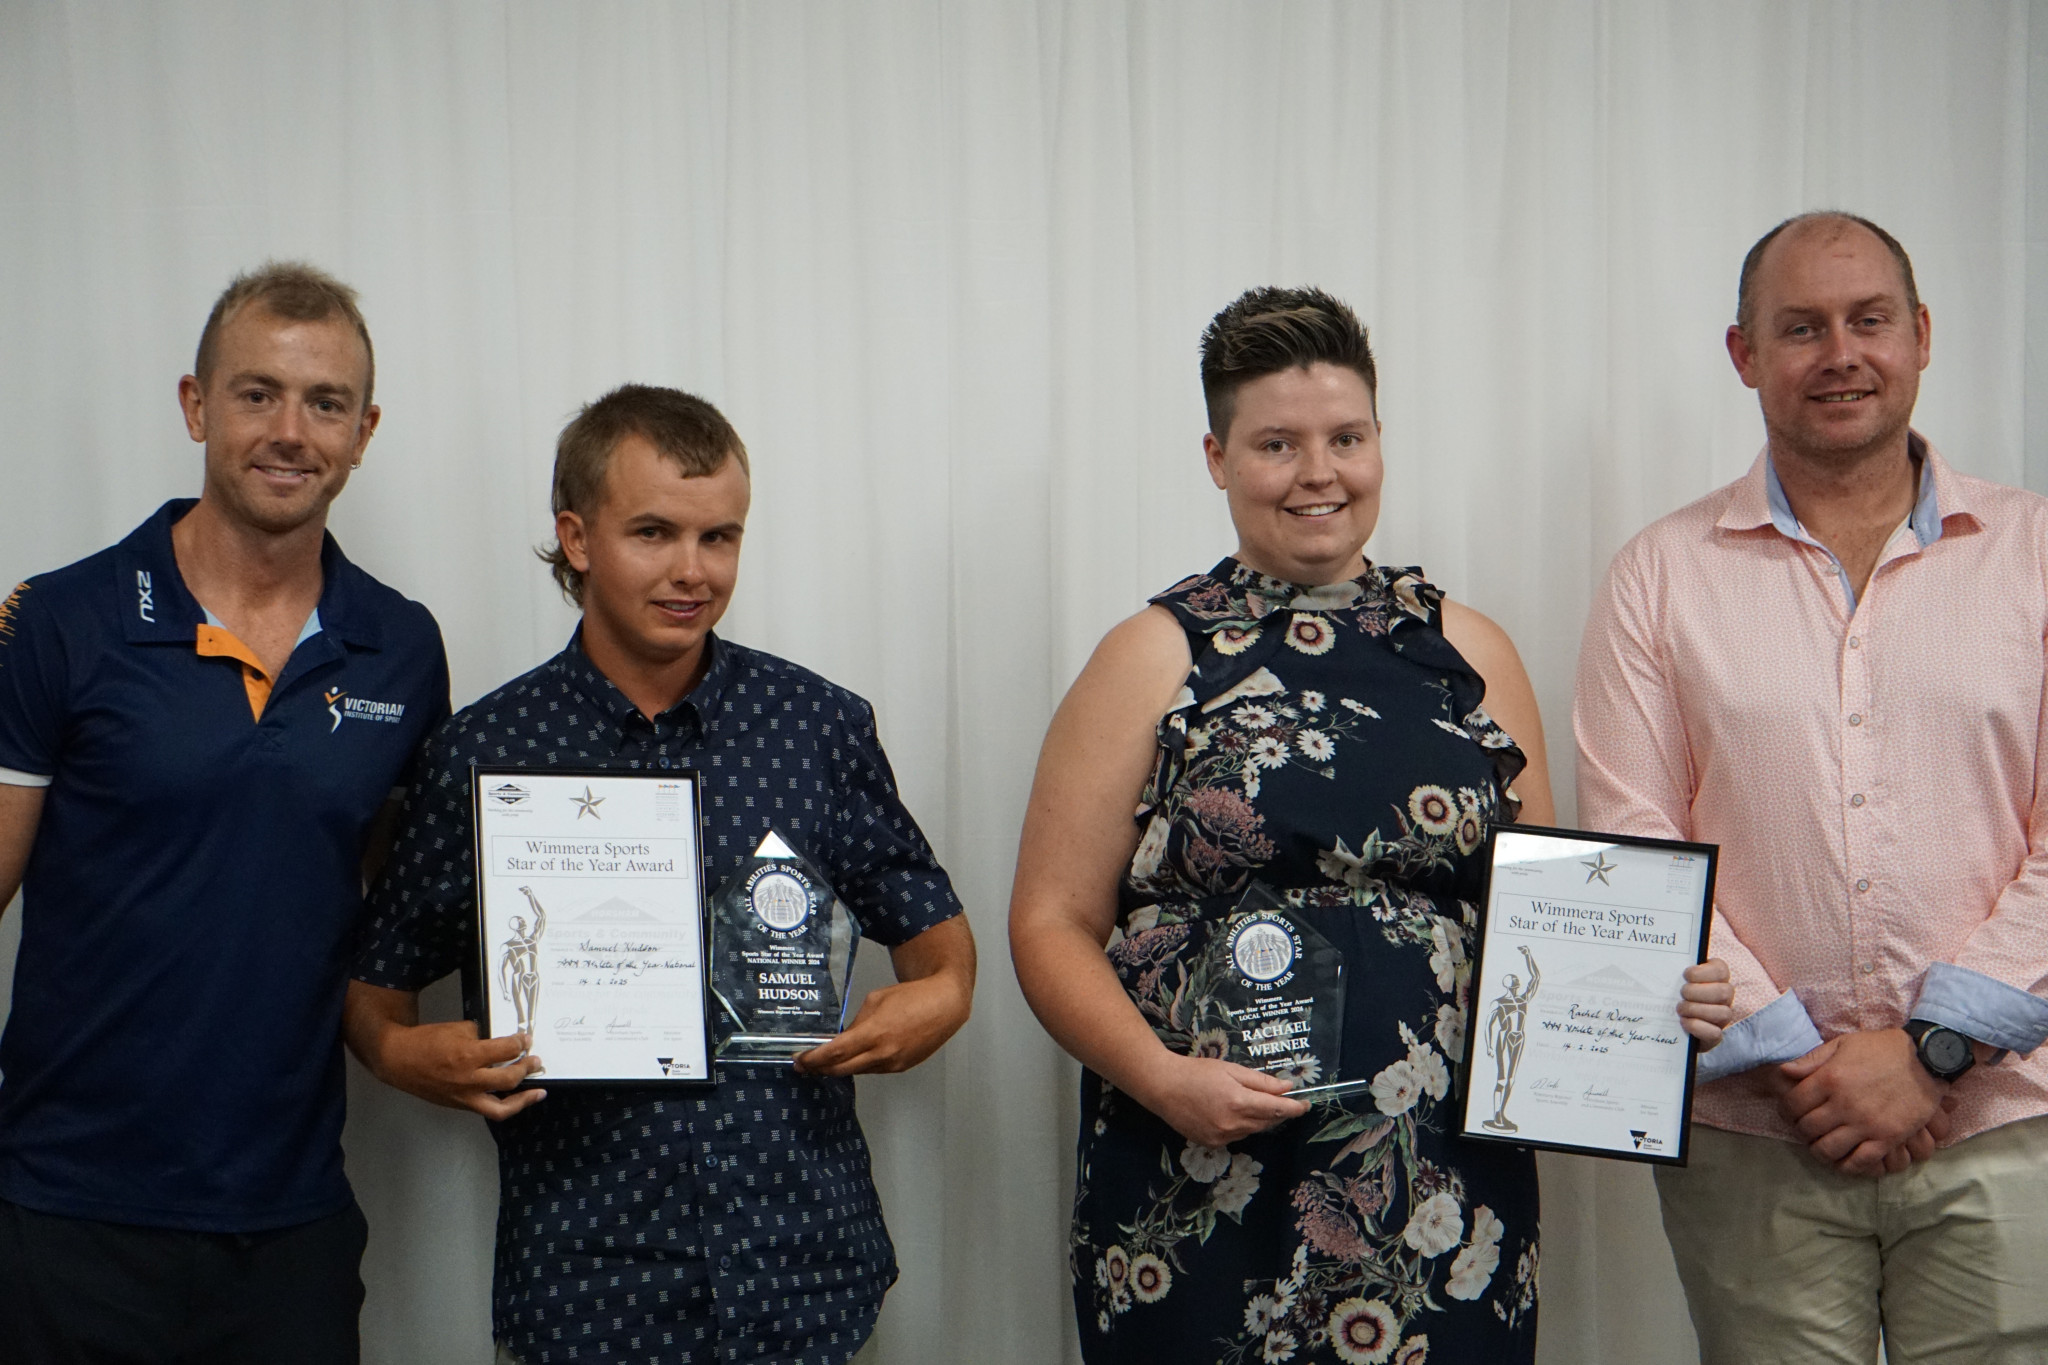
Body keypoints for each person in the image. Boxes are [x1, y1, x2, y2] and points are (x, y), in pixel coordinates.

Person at [1010, 286, 1733, 1364]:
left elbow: (1538, 916)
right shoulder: (1152, 657)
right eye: (1275, 444)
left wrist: (1656, 997)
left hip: (1438, 1178)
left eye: (1344, 438)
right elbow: (1048, 921)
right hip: (1196, 1171)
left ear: (1378, 442)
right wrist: (1160, 1079)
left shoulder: (1466, 653)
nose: (1318, 473)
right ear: (1216, 457)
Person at [345, 383, 976, 1365]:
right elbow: (372, 993)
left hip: (802, 1264)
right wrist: (398, 1056)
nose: (692, 571)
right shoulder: (483, 753)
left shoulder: (816, 728)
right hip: (586, 1276)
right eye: (653, 533)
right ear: (578, 536)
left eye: (718, 537)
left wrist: (931, 1006)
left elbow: (943, 955)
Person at [1576, 211, 2048, 1363]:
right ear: (1743, 356)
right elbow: (1634, 844)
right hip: (1753, 1132)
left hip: (2000, 1121)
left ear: (1921, 336)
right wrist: (1796, 1059)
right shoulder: (1657, 574)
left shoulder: (2034, 552)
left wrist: (1930, 1049)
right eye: (1798, 328)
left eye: (1866, 319)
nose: (1838, 352)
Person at [0, 263, 449, 1363]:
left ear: (364, 430)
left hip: (288, 1221)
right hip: (66, 1213)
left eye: (325, 403)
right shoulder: (61, 620)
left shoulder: (401, 645)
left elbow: (383, 924)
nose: (290, 431)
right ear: (197, 405)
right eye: (256, 394)